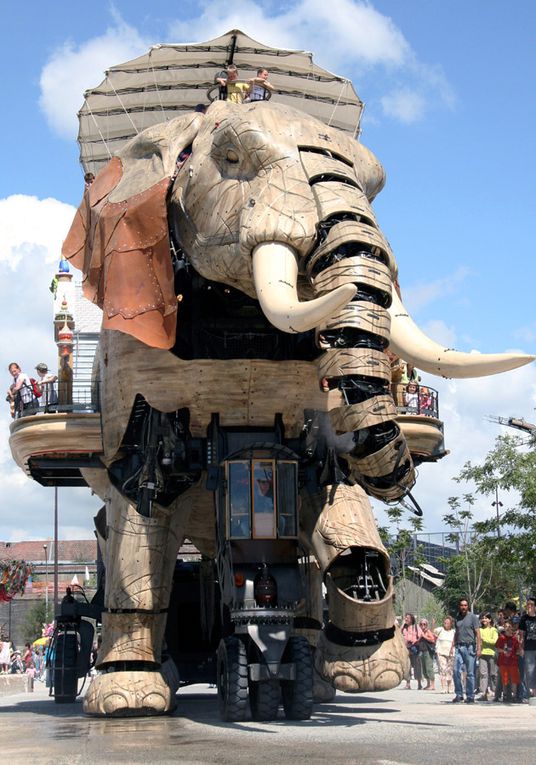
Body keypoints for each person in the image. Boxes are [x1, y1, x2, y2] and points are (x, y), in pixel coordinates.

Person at [451, 597, 481, 703]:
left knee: (470, 673)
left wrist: (479, 648)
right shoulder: (457, 618)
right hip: (459, 647)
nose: (463, 607)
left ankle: (470, 695)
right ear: (459, 606)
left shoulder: (473, 617)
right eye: (461, 605)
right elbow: (456, 632)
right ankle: (459, 694)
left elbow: (478, 633)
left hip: (470, 647)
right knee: (455, 671)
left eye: (465, 605)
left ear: (467, 606)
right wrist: (453, 646)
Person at [496, 620, 521, 702]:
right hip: (503, 662)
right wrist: (503, 650)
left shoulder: (514, 639)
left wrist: (519, 648)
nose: (507, 628)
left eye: (509, 627)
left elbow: (518, 650)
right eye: (506, 627)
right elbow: (497, 648)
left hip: (513, 662)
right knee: (505, 680)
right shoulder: (501, 638)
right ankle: (505, 695)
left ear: (512, 628)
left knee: (514, 680)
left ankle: (514, 696)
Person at [478, 612, 498, 701]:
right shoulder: (480, 630)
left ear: (490, 619)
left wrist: (484, 639)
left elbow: (495, 641)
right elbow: (478, 641)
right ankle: (483, 693)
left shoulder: (493, 630)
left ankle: (495, 693)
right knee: (483, 674)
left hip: (492, 654)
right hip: (482, 654)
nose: (484, 619)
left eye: (486, 618)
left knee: (493, 674)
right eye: (482, 618)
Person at [519, 596, 536, 700]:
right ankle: (533, 693)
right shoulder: (524, 618)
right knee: (529, 671)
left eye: (531, 605)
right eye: (527, 605)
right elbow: (521, 635)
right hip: (529, 648)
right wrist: (521, 648)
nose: (529, 606)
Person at [401, 613, 423, 689]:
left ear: (411, 619)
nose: (406, 619)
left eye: (407, 618)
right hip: (406, 649)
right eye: (405, 618)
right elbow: (399, 634)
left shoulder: (416, 627)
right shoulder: (404, 628)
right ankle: (408, 683)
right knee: (407, 666)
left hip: (414, 648)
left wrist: (415, 641)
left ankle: (419, 683)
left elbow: (421, 635)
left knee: (417, 666)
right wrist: (403, 625)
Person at [434, 616, 455, 693]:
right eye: (445, 622)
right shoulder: (440, 630)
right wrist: (433, 624)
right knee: (443, 669)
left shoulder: (453, 632)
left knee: (449, 670)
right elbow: (433, 632)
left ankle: (450, 687)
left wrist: (452, 649)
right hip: (441, 652)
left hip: (451, 653)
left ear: (451, 624)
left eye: (448, 623)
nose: (446, 624)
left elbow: (454, 641)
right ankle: (443, 687)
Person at [418, 618, 437, 690]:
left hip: (428, 652)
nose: (423, 625)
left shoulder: (428, 631)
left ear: (426, 625)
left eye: (424, 624)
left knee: (429, 668)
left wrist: (424, 636)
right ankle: (428, 684)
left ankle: (433, 685)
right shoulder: (420, 632)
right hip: (421, 651)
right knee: (424, 669)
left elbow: (432, 639)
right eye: (421, 624)